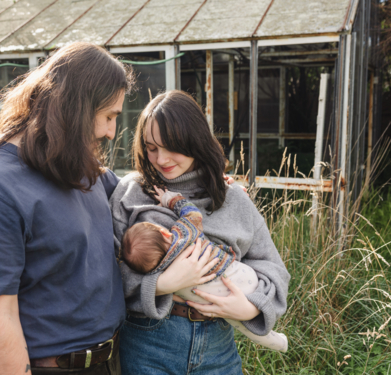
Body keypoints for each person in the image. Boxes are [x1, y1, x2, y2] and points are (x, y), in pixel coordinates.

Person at [0, 42, 134, 375]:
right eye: (108, 116)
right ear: (75, 107)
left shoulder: (82, 169)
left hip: (114, 361)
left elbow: (138, 197)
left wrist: (208, 184)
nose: (111, 132)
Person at [110, 90, 291, 374]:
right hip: (148, 345)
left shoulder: (234, 198)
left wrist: (250, 309)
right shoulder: (130, 193)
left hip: (218, 350)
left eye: (172, 146)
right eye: (151, 147)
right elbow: (106, 270)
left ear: (195, 140)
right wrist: (161, 284)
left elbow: (273, 268)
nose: (161, 159)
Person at [121, 187, 288, 352]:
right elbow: (192, 213)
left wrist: (159, 285)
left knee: (239, 324)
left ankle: (278, 343)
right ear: (164, 233)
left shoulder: (161, 270)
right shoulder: (184, 234)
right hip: (238, 276)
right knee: (240, 316)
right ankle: (275, 339)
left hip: (211, 303)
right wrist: (170, 200)